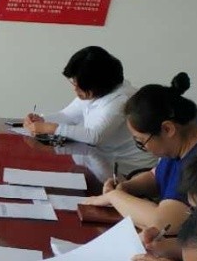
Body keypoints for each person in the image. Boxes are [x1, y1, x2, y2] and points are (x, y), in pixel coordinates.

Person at [83, 72, 197, 228]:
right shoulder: (181, 143)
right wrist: (127, 187)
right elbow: (157, 175)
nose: (143, 147)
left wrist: (114, 197)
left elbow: (163, 222)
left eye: (141, 141)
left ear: (167, 129)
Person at [21, 46, 157, 171]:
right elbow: (68, 116)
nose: (75, 90)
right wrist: (41, 120)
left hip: (130, 170)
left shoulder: (122, 100)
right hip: (100, 162)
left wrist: (50, 128)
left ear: (98, 84)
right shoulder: (97, 92)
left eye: (79, 86)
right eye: (74, 83)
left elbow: (94, 136)